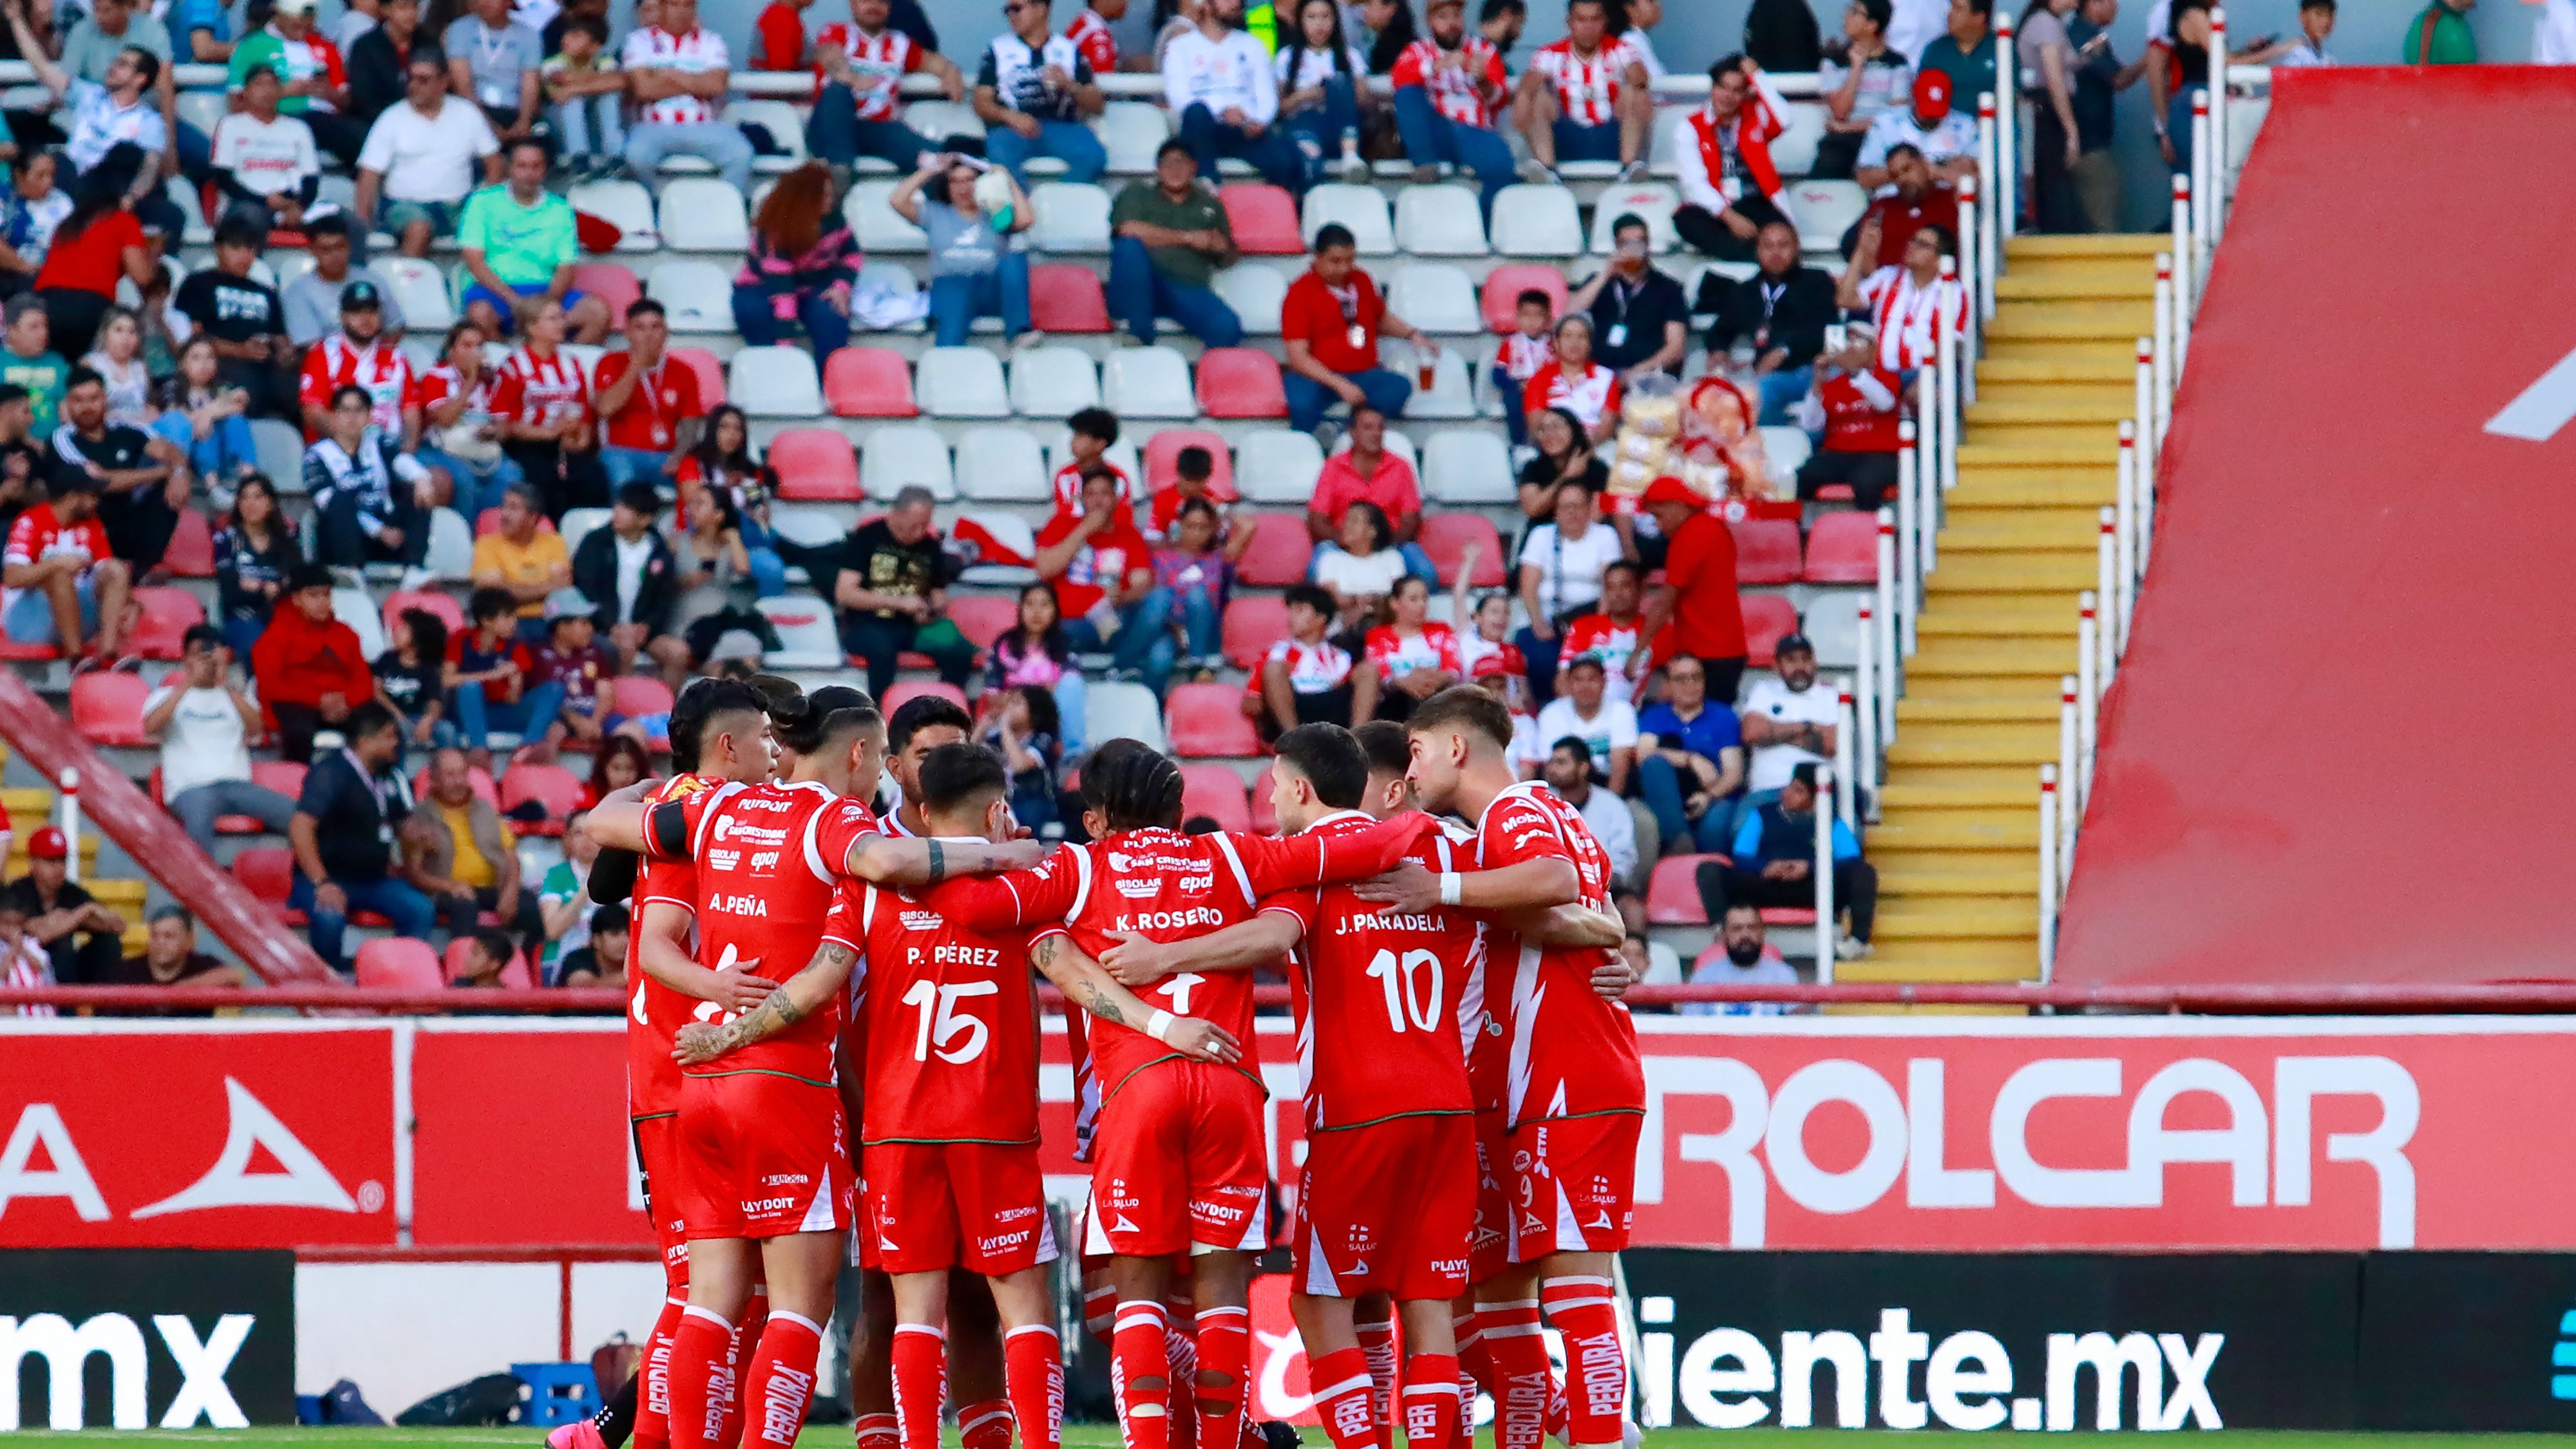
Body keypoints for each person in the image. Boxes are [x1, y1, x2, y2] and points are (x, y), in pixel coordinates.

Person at [1092, 724, 1604, 1449]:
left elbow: (1266, 941)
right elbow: (1558, 899)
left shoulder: (1313, 874)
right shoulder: (1444, 850)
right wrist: (1608, 935)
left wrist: (1161, 957)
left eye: (1274, 788)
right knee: (1428, 1309)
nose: (1269, 801)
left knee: (1319, 1306)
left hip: (1357, 1112)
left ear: (1301, 790)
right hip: (1448, 1106)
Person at [1350, 687, 1640, 1449]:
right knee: (1495, 1305)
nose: (1410, 776)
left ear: (1454, 747)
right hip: (1512, 1090)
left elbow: (1554, 884)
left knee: (1575, 1296)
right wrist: (1608, 936)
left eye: (1416, 753)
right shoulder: (1507, 831)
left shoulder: (1517, 813)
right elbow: (1579, 908)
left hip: (1568, 1082)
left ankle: (1605, 1435)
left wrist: (1437, 891)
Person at [3, 0, 189, 246]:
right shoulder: (88, 96)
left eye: (122, 65)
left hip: (111, 192)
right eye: (115, 61)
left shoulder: (150, 123)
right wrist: (17, 20)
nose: (112, 66)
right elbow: (42, 68)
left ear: (140, 79)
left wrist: (130, 199)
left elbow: (149, 169)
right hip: (70, 181)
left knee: (136, 169)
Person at [148, 623, 299, 855]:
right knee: (198, 824)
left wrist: (224, 685)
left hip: (236, 786)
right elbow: (151, 727)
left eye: (212, 652)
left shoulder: (236, 697)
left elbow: (257, 727)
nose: (207, 659)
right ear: (186, 658)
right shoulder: (165, 696)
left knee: (298, 816)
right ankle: (201, 888)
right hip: (190, 789)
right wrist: (188, 683)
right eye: (200, 653)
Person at [1698, 762, 1875, 958]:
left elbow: (1851, 860)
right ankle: (1723, 931)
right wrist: (1765, 868)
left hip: (1812, 889)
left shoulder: (1831, 821)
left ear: (1815, 799)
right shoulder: (1763, 814)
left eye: (1798, 791)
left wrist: (1810, 868)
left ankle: (1857, 942)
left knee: (1864, 873)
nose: (1787, 792)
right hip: (1765, 884)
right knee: (1709, 870)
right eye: (1791, 785)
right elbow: (1741, 855)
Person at [1282, 223, 1430, 433]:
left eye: (1350, 260)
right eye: (1336, 261)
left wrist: (1411, 334)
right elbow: (1298, 358)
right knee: (1301, 404)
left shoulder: (1362, 280)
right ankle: (1315, 446)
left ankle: (1347, 431)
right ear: (1317, 258)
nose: (1344, 268)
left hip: (1363, 372)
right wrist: (1339, 384)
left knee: (1399, 388)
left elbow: (1379, 319)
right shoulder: (1299, 293)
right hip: (1317, 377)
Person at [1034, 466, 1170, 694]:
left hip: (1114, 620)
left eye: (1105, 494)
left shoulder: (1129, 534)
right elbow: (1045, 571)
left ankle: (1121, 670)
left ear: (1117, 499)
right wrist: (1084, 530)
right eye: (1091, 494)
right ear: (1081, 498)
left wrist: (1123, 597)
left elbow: (1143, 583)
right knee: (1160, 647)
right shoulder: (1060, 525)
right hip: (1072, 625)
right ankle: (1124, 669)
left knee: (1162, 641)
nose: (1098, 501)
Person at [457, 142, 609, 346]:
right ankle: (507, 369)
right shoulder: (482, 202)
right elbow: (475, 262)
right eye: (522, 166)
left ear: (544, 170)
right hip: (495, 290)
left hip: (546, 290)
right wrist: (515, 301)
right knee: (480, 314)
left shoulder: (560, 209)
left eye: (536, 166)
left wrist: (545, 306)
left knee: (598, 312)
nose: (529, 173)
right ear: (509, 168)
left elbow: (566, 268)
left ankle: (566, 371)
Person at [355, 52, 504, 258]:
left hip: (459, 206)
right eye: (410, 78)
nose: (413, 86)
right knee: (419, 228)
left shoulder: (467, 113)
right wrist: (362, 223)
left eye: (423, 80)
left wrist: (484, 204)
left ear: (444, 82)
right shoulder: (391, 118)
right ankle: (410, 286)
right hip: (405, 206)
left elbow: (494, 162)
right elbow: (369, 174)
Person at [838, 484, 977, 697]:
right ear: (896, 514)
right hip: (868, 623)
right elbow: (845, 593)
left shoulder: (930, 546)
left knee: (960, 649)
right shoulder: (867, 538)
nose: (920, 532)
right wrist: (898, 603)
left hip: (913, 627)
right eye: (914, 526)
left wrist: (931, 610)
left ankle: (945, 708)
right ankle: (881, 716)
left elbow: (939, 595)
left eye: (925, 525)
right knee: (882, 650)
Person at [1106, 138, 1244, 349]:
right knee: (1129, 248)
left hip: (1187, 288)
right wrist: (1189, 238)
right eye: (1167, 164)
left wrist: (1220, 246)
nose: (1174, 170)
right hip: (1141, 285)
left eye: (1181, 163)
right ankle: (1139, 332)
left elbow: (1228, 256)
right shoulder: (1138, 194)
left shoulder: (1210, 204)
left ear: (1194, 167)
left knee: (1227, 326)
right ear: (1159, 170)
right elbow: (1127, 230)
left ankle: (1202, 379)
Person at [406, 741, 544, 950]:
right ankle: (463, 972)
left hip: (490, 888)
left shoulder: (485, 809)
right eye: (450, 775)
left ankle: (530, 968)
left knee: (533, 906)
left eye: (462, 774)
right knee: (464, 906)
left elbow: (511, 856)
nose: (458, 782)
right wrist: (450, 886)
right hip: (447, 891)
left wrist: (510, 891)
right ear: (433, 780)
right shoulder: (420, 817)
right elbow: (414, 873)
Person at [804, 0, 966, 175]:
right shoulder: (836, 32)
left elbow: (935, 62)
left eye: (881, 1)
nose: (873, 6)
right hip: (831, 129)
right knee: (838, 91)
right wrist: (851, 78)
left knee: (936, 156)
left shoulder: (900, 43)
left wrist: (951, 72)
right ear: (852, 4)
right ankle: (839, 174)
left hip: (876, 131)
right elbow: (829, 55)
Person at [891, 154, 1034, 350]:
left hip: (987, 287)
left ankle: (1020, 332)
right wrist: (931, 170)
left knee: (1013, 259)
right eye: (955, 182)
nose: (963, 188)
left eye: (969, 180)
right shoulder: (935, 213)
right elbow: (897, 200)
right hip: (950, 284)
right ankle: (947, 358)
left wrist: (1006, 179)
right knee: (955, 293)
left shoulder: (996, 213)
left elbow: (1026, 219)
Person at [53, 365, 186, 572]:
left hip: (129, 518)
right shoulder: (63, 438)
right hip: (90, 520)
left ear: (105, 398)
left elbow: (170, 451)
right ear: (67, 403)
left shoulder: (127, 430)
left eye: (94, 398)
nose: (87, 406)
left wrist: (178, 472)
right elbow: (103, 482)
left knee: (170, 485)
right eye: (78, 400)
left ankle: (145, 568)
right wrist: (163, 471)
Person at [1704, 220, 1836, 425]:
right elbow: (1720, 330)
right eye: (1768, 246)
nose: (1775, 253)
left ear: (1796, 247)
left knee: (1764, 389)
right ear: (1758, 251)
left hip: (1812, 368)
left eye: (1783, 246)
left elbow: (1825, 327)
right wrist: (1718, 351)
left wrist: (1784, 351)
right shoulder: (1747, 291)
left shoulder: (1817, 281)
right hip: (1768, 375)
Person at [1631, 476, 1748, 704]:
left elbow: (1665, 602)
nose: (1658, 524)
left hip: (1707, 652)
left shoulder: (1689, 536)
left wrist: (1639, 651)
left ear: (1677, 506)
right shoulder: (1713, 527)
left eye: (1658, 515)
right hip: (1725, 648)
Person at [1162, 0, 1300, 190]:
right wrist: (1221, 112)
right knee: (1196, 113)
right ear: (1207, 5)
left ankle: (1283, 208)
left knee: (1286, 158)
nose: (1237, 3)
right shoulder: (1180, 47)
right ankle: (1208, 187)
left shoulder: (1252, 45)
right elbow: (1179, 97)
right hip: (1204, 128)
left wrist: (1257, 119)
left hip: (1245, 129)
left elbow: (1266, 94)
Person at [732, 160, 862, 356]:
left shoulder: (835, 220)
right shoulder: (775, 231)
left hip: (813, 287)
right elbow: (783, 293)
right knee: (754, 313)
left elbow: (851, 255)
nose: (830, 200)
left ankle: (828, 379)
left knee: (831, 316)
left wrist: (840, 288)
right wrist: (785, 348)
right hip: (764, 287)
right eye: (824, 195)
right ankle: (773, 369)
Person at [619, 0, 752, 191]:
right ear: (662, 8)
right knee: (635, 156)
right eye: (675, 5)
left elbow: (716, 86)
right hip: (654, 127)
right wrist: (697, 82)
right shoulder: (640, 40)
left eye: (688, 6)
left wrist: (670, 75)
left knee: (741, 154)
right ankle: (652, 212)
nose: (682, 11)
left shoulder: (711, 40)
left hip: (704, 126)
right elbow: (644, 89)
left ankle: (722, 210)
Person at [1513, 481, 1625, 705]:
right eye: (1565, 507)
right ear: (1556, 512)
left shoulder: (1605, 536)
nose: (1572, 513)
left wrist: (1596, 628)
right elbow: (1528, 587)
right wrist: (1539, 624)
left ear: (1589, 508)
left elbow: (1609, 586)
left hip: (1591, 620)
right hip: (1547, 620)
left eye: (1578, 506)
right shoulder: (1541, 536)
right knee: (1541, 657)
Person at [1388, 0, 1511, 204]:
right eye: (1443, 17)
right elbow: (1399, 80)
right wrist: (1437, 66)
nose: (1452, 23)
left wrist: (1483, 81)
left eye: (1456, 16)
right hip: (1437, 132)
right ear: (1430, 22)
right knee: (1408, 94)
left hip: (1475, 131)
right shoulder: (1417, 51)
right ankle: (1425, 165)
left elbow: (1501, 100)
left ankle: (1487, 226)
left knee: (1502, 165)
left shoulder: (1484, 50)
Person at [173, 217, 296, 419]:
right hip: (221, 362)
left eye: (250, 249)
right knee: (247, 384)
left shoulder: (266, 291)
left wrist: (285, 353)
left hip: (266, 362)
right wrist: (240, 350)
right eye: (236, 248)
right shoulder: (198, 284)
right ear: (219, 249)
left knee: (295, 388)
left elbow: (280, 336)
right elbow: (193, 337)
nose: (244, 256)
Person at [492, 298, 606, 514]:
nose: (562, 324)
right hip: (526, 446)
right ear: (532, 327)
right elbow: (506, 423)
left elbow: (583, 411)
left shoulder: (571, 364)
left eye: (562, 317)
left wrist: (581, 438)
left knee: (593, 478)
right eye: (553, 319)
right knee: (543, 482)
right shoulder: (513, 367)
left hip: (567, 444)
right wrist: (550, 433)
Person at [974, 0, 1106, 185]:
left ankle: (1061, 202)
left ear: (1041, 9)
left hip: (1061, 127)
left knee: (1093, 154)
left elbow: (1097, 105)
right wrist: (1011, 117)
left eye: (1017, 9)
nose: (1011, 16)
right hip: (1013, 129)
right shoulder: (997, 50)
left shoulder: (1069, 50)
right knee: (999, 153)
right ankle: (1024, 210)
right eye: (1008, 10)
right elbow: (981, 102)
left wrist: (1070, 86)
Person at [1515, 0, 1649, 181]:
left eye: (1595, 20)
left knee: (1635, 92)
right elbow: (1530, 81)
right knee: (1537, 96)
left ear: (1605, 22)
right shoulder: (1550, 54)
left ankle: (1629, 168)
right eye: (1581, 20)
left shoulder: (1622, 49)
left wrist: (1634, 73)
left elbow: (1640, 77)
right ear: (1569, 22)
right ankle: (1548, 170)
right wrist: (1531, 86)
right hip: (1567, 137)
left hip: (1612, 137)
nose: (1588, 27)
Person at [254, 563, 374, 762]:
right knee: (299, 731)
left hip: (342, 704)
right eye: (313, 596)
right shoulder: (276, 635)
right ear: (296, 599)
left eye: (326, 595)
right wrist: (318, 700)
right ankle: (295, 784)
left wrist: (343, 701)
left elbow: (364, 683)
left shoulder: (346, 635)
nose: (322, 602)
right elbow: (270, 686)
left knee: (380, 727)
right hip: (297, 705)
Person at [29, 175, 155, 363]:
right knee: (88, 371)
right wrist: (152, 253)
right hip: (90, 304)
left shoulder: (67, 224)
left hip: (47, 302)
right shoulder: (123, 221)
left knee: (53, 366)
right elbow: (142, 276)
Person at [574, 480, 691, 681]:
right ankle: (628, 709)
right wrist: (611, 625)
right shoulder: (595, 543)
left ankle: (667, 711)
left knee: (679, 652)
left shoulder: (659, 550)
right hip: (601, 627)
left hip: (643, 631)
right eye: (618, 505)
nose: (617, 512)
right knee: (625, 648)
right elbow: (585, 590)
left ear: (645, 519)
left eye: (626, 508)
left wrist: (647, 627)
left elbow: (664, 599)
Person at [307, 381, 431, 567]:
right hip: (343, 537)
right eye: (345, 410)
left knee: (415, 490)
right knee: (341, 500)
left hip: (386, 530)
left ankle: (414, 569)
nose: (352, 417)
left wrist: (422, 479)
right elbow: (326, 503)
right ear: (334, 415)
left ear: (369, 416)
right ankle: (351, 571)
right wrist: (378, 530)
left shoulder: (379, 444)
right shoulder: (316, 455)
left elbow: (402, 462)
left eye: (359, 410)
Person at [227, 0, 364, 166]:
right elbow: (236, 104)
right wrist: (283, 92)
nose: (304, 25)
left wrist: (328, 92)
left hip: (329, 121)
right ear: (279, 14)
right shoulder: (250, 47)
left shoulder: (325, 47)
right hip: (281, 119)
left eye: (309, 19)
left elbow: (348, 101)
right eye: (297, 20)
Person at [1307, 403, 1435, 580]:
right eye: (1368, 428)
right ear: (1352, 432)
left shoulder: (1400, 467)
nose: (1376, 434)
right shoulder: (1333, 467)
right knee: (1315, 572)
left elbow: (1411, 520)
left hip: (1391, 543)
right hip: (1341, 543)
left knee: (1426, 573)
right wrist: (1350, 541)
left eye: (1380, 428)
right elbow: (1317, 520)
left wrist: (1381, 544)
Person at [1634, 649, 1745, 851]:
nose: (1690, 685)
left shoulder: (1723, 716)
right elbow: (1644, 756)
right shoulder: (1655, 715)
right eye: (1681, 679)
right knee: (1654, 765)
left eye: (1696, 677)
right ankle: (1682, 840)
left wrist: (1707, 797)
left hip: (1713, 794)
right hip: (1668, 795)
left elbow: (1733, 773)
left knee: (1715, 826)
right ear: (1668, 684)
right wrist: (1691, 759)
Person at [416, 319, 525, 520]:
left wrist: (495, 432)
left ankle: (492, 534)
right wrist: (471, 381)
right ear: (451, 351)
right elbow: (445, 420)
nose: (475, 352)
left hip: (480, 446)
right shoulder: (436, 377)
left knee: (510, 475)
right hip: (439, 447)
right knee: (464, 480)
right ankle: (467, 536)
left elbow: (504, 426)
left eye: (479, 346)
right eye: (467, 346)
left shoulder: (495, 381)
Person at [590, 299, 701, 493]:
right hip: (621, 453)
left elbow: (690, 428)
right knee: (624, 475)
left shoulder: (684, 371)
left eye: (656, 327)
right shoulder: (610, 362)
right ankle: (627, 522)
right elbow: (605, 409)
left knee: (695, 476)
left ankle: (687, 524)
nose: (649, 335)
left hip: (665, 456)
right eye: (640, 328)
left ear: (666, 332)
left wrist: (678, 457)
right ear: (628, 333)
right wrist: (635, 367)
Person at [1839, 214, 1968, 375]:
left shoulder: (1953, 292)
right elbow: (1846, 299)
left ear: (1939, 260)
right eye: (1913, 240)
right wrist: (1861, 251)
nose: (1912, 246)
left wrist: (1927, 382)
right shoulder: (1887, 277)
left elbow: (1953, 346)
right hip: (1880, 374)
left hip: (1922, 377)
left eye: (1922, 245)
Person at [1794, 321, 1903, 510]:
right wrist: (1817, 382)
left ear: (1873, 349)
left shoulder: (1887, 378)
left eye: (1858, 342)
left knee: (1866, 481)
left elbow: (1885, 404)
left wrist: (1855, 371)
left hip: (1878, 455)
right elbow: (1811, 424)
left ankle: (1871, 534)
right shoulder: (1833, 385)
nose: (1851, 348)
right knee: (1802, 476)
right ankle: (1802, 534)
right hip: (1838, 454)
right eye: (1848, 342)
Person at [297, 279, 420, 446]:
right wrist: (352, 443)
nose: (365, 319)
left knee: (435, 473)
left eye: (371, 312)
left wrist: (407, 451)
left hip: (390, 451)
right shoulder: (323, 354)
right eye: (357, 312)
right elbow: (313, 413)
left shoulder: (397, 358)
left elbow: (410, 412)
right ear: (343, 317)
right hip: (336, 449)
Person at [1571, 213, 1689, 381]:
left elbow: (1675, 349)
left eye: (1640, 242)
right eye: (1627, 243)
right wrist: (1606, 274)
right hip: (1598, 376)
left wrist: (1637, 373)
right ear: (1617, 245)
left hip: (1647, 377)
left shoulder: (1669, 288)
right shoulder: (1599, 283)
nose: (1635, 249)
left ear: (1648, 244)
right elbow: (1569, 314)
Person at [1737, 630, 1838, 822]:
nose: (1800, 667)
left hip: (1817, 795)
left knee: (1850, 835)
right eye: (1791, 660)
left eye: (1806, 659)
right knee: (1739, 829)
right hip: (1766, 793)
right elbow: (1752, 734)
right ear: (1776, 665)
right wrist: (1808, 726)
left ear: (1815, 662)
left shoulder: (1831, 695)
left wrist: (1773, 733)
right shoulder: (1764, 690)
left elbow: (1830, 745)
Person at [2066, 0, 2148, 234]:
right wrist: (2149, 58)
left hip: (2085, 143)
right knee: (2104, 226)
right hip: (2090, 146)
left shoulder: (2080, 34)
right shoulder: (2086, 38)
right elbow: (2118, 79)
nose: (2116, 6)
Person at [5, 826, 126, 985]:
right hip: (26, 971)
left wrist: (66, 919)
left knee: (108, 943)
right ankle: (64, 1007)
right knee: (61, 949)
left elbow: (118, 926)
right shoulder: (18, 892)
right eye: (50, 861)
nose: (59, 868)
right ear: (33, 863)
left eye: (62, 860)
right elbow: (41, 934)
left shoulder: (71, 892)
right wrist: (85, 911)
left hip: (66, 970)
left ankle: (103, 1005)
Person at [209, 65, 321, 236]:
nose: (266, 91)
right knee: (252, 217)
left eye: (272, 85)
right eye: (259, 85)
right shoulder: (231, 125)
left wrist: (298, 207)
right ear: (246, 92)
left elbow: (311, 179)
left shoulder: (298, 128)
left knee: (346, 223)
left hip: (290, 203)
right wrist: (265, 201)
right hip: (245, 203)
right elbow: (224, 178)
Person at [1273, 0, 1368, 186]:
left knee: (1338, 81)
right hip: (1302, 123)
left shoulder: (1350, 56)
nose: (1319, 24)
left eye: (1325, 17)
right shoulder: (1286, 57)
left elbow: (1363, 101)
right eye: (1312, 17)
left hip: (1338, 124)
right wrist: (1305, 95)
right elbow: (1277, 109)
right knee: (1310, 162)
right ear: (1301, 21)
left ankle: (1350, 155)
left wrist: (1335, 93)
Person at [985, 580, 1086, 753]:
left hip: (1051, 715)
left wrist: (1026, 695)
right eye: (1030, 604)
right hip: (1013, 716)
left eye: (1045, 605)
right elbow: (992, 693)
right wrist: (1029, 698)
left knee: (1073, 683)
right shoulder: (1004, 644)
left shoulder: (1066, 644)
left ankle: (1072, 757)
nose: (1037, 612)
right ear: (1021, 609)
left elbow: (1067, 688)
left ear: (1055, 611)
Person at [1815, 0, 1910, 181]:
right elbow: (1840, 112)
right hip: (1843, 141)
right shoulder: (1833, 61)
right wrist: (1856, 68)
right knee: (1829, 163)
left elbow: (1897, 116)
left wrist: (1847, 128)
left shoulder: (1897, 64)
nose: (1846, 16)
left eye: (1855, 12)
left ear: (1872, 25)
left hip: (1883, 136)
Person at [1256, 582, 1369, 730]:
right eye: (1290, 610)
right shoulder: (1275, 653)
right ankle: (1293, 739)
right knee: (1274, 669)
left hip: (1335, 713)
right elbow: (1251, 704)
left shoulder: (1341, 656)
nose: (1291, 617)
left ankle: (1357, 739)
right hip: (1296, 711)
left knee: (1369, 670)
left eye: (1300, 610)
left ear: (1321, 618)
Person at [285, 214, 409, 348]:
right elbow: (309, 346)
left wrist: (374, 359)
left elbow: (395, 327)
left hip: (373, 361)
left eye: (340, 247)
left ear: (349, 246)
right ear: (312, 250)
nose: (335, 256)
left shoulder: (373, 280)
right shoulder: (298, 292)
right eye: (326, 250)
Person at [444, 0, 546, 156]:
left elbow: (530, 84)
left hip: (514, 110)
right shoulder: (459, 30)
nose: (484, 3)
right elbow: (462, 86)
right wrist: (488, 126)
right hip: (476, 111)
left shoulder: (528, 35)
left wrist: (524, 123)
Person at [1539, 734, 1638, 893]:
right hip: (1553, 890)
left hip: (1605, 890)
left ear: (1583, 767)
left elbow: (1624, 859)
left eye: (1561, 763)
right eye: (1551, 762)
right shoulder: (1541, 804)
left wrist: (1600, 883)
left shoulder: (1611, 804)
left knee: (1633, 908)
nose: (1552, 769)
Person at [94, 907, 249, 1007]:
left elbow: (233, 977)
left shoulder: (202, 965)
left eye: (169, 936)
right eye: (155, 936)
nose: (160, 943)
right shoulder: (126, 971)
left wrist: (175, 993)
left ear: (189, 940)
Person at [473, 482, 573, 635]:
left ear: (533, 517)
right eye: (504, 507)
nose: (504, 515)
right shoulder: (487, 545)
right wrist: (547, 587)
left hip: (551, 619)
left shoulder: (554, 542)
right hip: (509, 621)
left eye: (513, 509)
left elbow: (563, 586)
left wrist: (514, 588)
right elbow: (494, 596)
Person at [2018, 0, 2084, 232]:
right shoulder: (2045, 23)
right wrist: (2071, 129)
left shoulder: (2051, 23)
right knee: (2055, 185)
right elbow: (2054, 80)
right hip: (2047, 113)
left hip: (2048, 112)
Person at [1149, 495, 1232, 677]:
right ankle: (1154, 702)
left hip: (1204, 631)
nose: (1197, 533)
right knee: (1158, 659)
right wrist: (1175, 627)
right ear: (1179, 525)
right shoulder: (1161, 558)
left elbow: (1247, 527)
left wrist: (1219, 513)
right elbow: (1155, 603)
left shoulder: (1217, 560)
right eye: (1191, 526)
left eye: (1204, 528)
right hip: (1170, 629)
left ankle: (1197, 664)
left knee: (1197, 596)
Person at [1856, 71, 1976, 193]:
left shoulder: (1965, 126)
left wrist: (1934, 171)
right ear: (1913, 97)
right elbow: (1864, 177)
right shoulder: (1886, 122)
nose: (1931, 117)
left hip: (1945, 202)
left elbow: (1975, 180)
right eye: (1926, 110)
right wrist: (1905, 173)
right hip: (1894, 201)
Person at [1534, 652, 1636, 797]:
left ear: (1604, 682)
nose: (1585, 686)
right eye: (1578, 680)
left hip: (1610, 786)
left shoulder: (1622, 710)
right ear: (1569, 683)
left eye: (1592, 679)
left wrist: (1610, 807)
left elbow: (1620, 769)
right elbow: (1551, 770)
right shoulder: (1552, 713)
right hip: (1566, 789)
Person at [1359, 572, 1456, 721]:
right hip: (1393, 702)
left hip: (1437, 697)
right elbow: (1381, 672)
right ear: (1395, 603)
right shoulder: (1378, 635)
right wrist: (1406, 682)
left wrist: (1433, 679)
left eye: (1425, 599)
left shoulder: (1441, 630)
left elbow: (1453, 668)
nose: (1421, 605)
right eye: (1413, 599)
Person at [1678, 903, 1803, 1016]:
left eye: (1752, 927)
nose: (1745, 935)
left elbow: (1796, 1027)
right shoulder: (1704, 978)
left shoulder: (1783, 975)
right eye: (1737, 929)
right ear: (1724, 935)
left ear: (1762, 933)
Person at [1850, 143, 1960, 266]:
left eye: (1907, 169)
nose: (1903, 179)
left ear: (1924, 164)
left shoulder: (1951, 198)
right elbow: (1865, 260)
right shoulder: (1882, 207)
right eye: (1895, 175)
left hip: (1942, 281)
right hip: (1890, 282)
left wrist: (1937, 172)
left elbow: (1976, 188)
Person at [542, 16, 623, 178]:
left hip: (592, 123)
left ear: (595, 46)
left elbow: (618, 82)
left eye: (576, 36)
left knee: (609, 97)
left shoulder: (604, 61)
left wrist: (572, 89)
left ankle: (616, 156)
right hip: (559, 123)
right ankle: (579, 158)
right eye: (566, 35)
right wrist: (596, 82)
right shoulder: (554, 63)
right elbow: (561, 79)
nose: (566, 40)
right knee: (574, 102)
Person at [1310, 500, 1406, 635]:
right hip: (1343, 633)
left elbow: (1400, 597)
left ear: (1373, 531)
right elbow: (1331, 599)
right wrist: (1371, 601)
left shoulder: (1391, 558)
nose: (1346, 526)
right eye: (1346, 520)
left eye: (1354, 521)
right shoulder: (1331, 559)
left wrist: (1357, 603)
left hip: (1384, 631)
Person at [1557, 559, 1645, 704]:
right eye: (1611, 587)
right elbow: (1563, 681)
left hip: (1642, 713)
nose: (1618, 594)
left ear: (1640, 589)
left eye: (1625, 586)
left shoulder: (1659, 630)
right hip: (1590, 711)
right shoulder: (1583, 626)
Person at [374, 604, 451, 750]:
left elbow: (435, 702)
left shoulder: (428, 668)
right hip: (388, 717)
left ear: (417, 639)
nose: (396, 632)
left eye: (404, 629)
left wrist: (428, 720)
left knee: (446, 730)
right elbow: (376, 691)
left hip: (416, 717)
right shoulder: (386, 660)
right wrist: (399, 716)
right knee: (397, 730)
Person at [0, 155, 73, 302]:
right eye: (40, 176)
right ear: (20, 176)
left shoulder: (62, 202)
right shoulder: (3, 198)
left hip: (48, 275)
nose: (49, 182)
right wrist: (23, 266)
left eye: (52, 175)